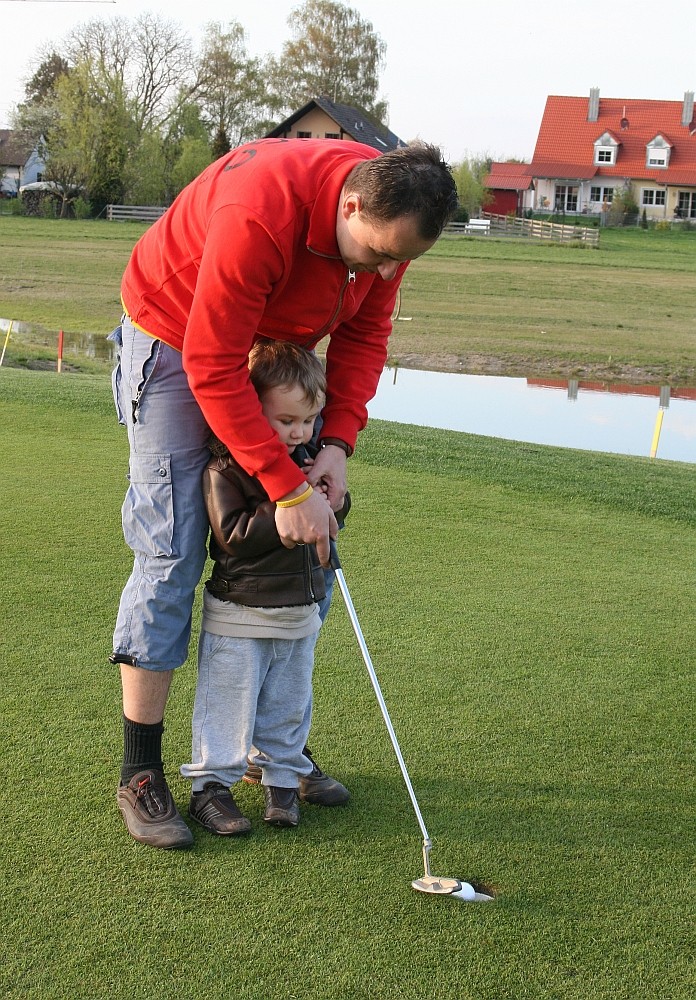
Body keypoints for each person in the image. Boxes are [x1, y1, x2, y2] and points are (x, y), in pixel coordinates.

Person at [111, 137, 458, 849]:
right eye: (380, 253)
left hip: (271, 346)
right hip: (176, 338)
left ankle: (274, 751)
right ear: (351, 203)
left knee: (310, 538)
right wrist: (284, 488)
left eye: (404, 260)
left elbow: (364, 340)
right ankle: (141, 770)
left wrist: (334, 446)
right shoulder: (260, 210)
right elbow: (212, 364)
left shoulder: (389, 221)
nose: (388, 270)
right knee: (172, 550)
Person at [180, 340, 350, 834]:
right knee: (227, 705)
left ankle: (281, 784)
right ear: (253, 411)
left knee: (288, 705)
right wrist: (287, 508)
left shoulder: (311, 458)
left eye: (308, 421)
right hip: (241, 613)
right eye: (286, 421)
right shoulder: (224, 468)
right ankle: (211, 788)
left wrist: (329, 502)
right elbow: (232, 536)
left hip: (299, 612)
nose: (299, 434)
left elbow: (337, 517)